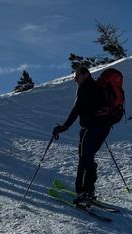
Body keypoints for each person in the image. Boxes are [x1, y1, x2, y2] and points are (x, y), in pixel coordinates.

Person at [52, 66, 111, 207]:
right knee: (89, 158)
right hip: (104, 128)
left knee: (84, 159)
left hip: (91, 128)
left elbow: (76, 109)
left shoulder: (86, 88)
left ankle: (82, 191)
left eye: (77, 76)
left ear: (85, 75)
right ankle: (89, 190)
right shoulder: (97, 87)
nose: (75, 79)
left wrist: (63, 127)